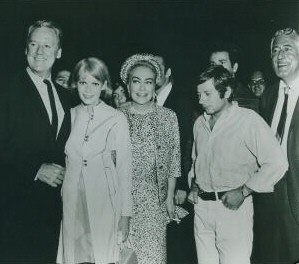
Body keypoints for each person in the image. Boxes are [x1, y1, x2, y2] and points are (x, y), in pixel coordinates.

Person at [188, 65, 288, 264]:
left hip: (232, 211)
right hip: (202, 210)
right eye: (199, 94)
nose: (201, 100)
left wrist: (243, 192)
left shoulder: (248, 120)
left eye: (207, 94)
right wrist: (194, 185)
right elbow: (196, 161)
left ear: (226, 92)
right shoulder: (199, 123)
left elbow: (277, 162)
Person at [0, 19, 74, 263]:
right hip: (12, 211)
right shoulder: (7, 89)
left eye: (47, 46)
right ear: (26, 49)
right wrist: (34, 169)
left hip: (52, 215)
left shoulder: (66, 96)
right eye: (34, 44)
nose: (40, 52)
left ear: (59, 52)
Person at [56, 57, 132, 264]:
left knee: (102, 256)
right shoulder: (68, 116)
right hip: (72, 199)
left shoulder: (116, 118)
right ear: (75, 84)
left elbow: (125, 169)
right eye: (83, 83)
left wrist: (125, 215)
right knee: (73, 256)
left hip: (104, 201)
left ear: (104, 85)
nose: (88, 90)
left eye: (95, 83)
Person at [119, 53, 181, 264]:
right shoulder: (116, 116)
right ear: (128, 86)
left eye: (148, 82)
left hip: (155, 202)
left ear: (156, 86)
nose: (142, 88)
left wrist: (170, 197)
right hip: (121, 200)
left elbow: (174, 159)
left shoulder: (168, 116)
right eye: (136, 82)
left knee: (153, 258)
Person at [253, 28, 299, 264]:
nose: (280, 55)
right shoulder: (269, 96)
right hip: (270, 194)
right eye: (275, 51)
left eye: (287, 48)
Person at [209, 41, 259, 113]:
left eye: (222, 63)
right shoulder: (204, 98)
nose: (216, 68)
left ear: (235, 67)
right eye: (213, 64)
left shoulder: (249, 102)